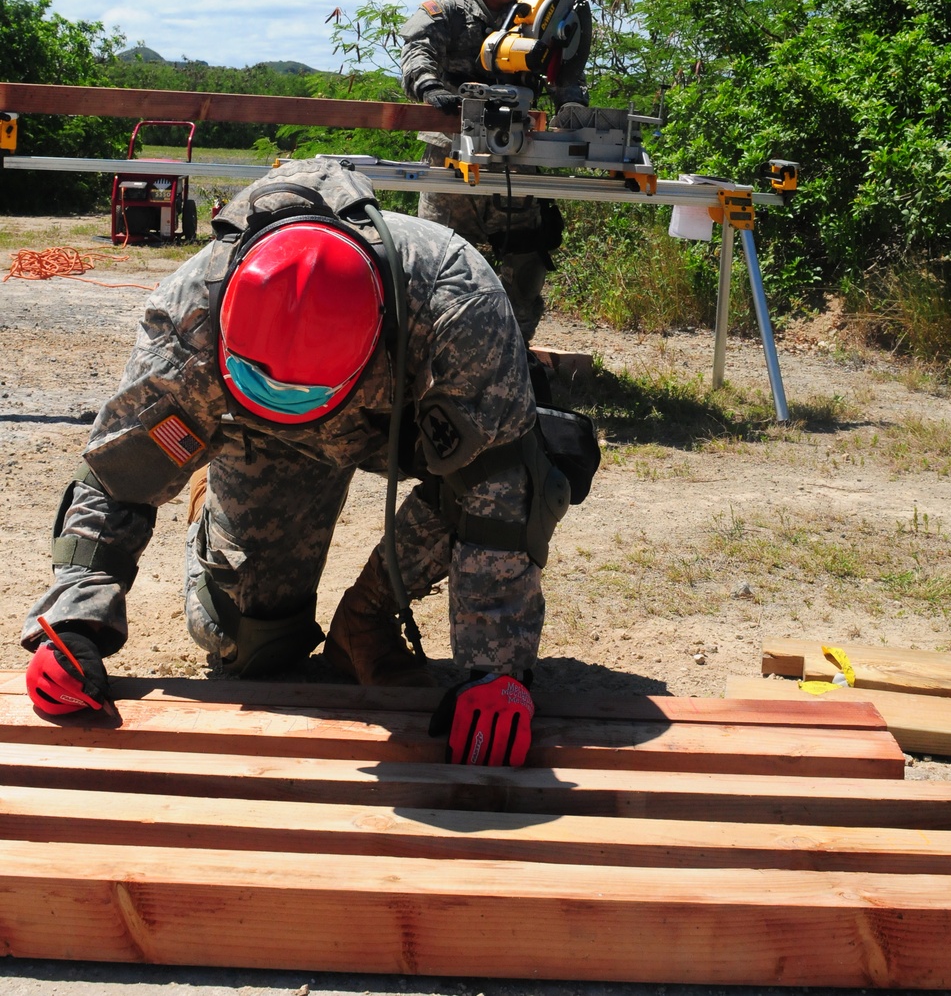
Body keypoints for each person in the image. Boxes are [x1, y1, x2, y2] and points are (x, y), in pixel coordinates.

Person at [21, 159, 587, 767]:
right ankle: (213, 520)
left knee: (533, 463)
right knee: (249, 645)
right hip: (263, 441)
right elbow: (119, 472)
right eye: (266, 383)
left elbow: (497, 491)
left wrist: (496, 672)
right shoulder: (189, 314)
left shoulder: (456, 300)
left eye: (300, 393)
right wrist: (74, 624)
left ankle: (364, 622)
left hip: (397, 425)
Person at [400, 0, 592, 344]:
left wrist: (573, 105)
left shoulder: (538, 14)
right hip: (452, 158)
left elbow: (566, 67)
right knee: (437, 265)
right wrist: (430, 87)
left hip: (518, 155)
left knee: (525, 267)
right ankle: (435, 357)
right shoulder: (447, 11)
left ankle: (514, 355)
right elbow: (416, 52)